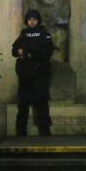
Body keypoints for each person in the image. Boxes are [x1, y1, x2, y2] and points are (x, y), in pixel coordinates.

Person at [12, 9, 54, 137]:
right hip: (25, 74)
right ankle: (21, 131)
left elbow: (46, 53)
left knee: (41, 103)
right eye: (30, 19)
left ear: (38, 20)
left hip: (39, 73)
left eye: (34, 19)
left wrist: (29, 53)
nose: (32, 22)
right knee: (23, 104)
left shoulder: (44, 34)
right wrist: (20, 51)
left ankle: (45, 131)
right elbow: (14, 50)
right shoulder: (24, 33)